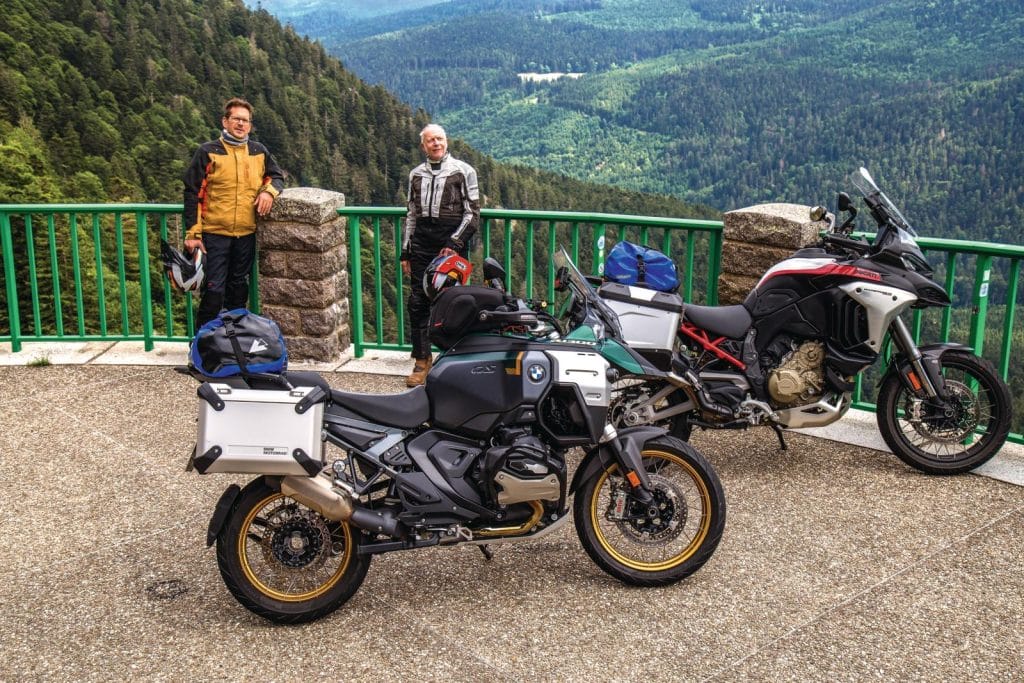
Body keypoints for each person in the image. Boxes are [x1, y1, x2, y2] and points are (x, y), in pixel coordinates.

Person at [183, 97, 285, 327]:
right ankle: (202, 342)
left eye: (245, 120)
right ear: (225, 121)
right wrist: (192, 233)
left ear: (250, 125)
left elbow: (276, 176)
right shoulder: (208, 152)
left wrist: (268, 192)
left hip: (245, 234)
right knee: (213, 291)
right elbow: (192, 192)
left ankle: (233, 342)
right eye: (236, 119)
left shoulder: (259, 151)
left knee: (238, 290)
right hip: (213, 235)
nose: (241, 124)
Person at [401, 124, 480, 387]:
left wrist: (454, 243)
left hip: (451, 244)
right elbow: (411, 214)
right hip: (421, 245)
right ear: (423, 145)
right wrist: (405, 251)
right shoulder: (415, 174)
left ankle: (453, 360)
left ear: (446, 141)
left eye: (439, 139)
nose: (436, 143)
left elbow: (472, 213)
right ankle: (422, 360)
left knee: (454, 302)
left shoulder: (464, 171)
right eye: (430, 140)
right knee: (418, 302)